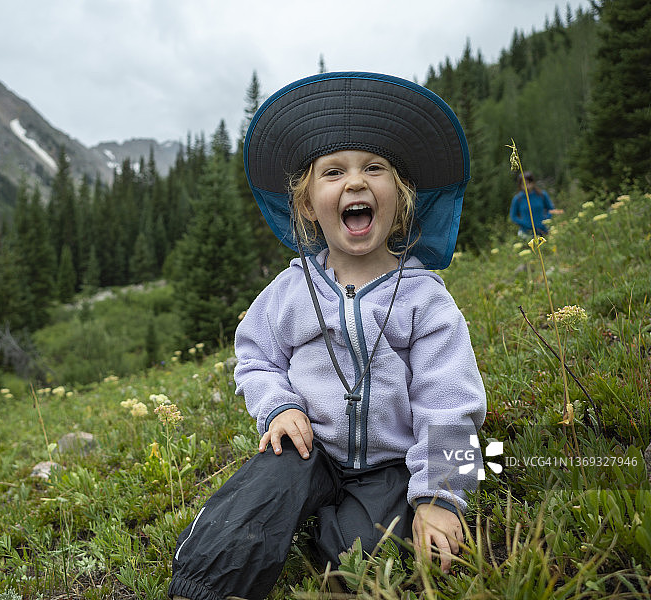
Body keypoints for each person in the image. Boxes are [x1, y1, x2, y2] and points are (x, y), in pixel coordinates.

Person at [168, 72, 487, 600]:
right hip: (306, 448)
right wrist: (278, 407)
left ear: (401, 198)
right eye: (333, 172)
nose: (355, 183)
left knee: (361, 559)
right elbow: (255, 357)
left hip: (390, 464)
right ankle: (202, 588)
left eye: (374, 168)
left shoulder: (425, 299)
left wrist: (440, 496)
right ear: (307, 205)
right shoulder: (290, 291)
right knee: (256, 498)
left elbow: (450, 402)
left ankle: (332, 533)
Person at [509, 171, 563, 238]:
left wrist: (546, 220)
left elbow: (551, 209)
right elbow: (513, 216)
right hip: (526, 233)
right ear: (520, 185)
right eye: (523, 184)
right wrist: (525, 223)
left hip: (543, 231)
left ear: (533, 182)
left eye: (528, 183)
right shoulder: (517, 198)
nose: (526, 186)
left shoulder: (542, 194)